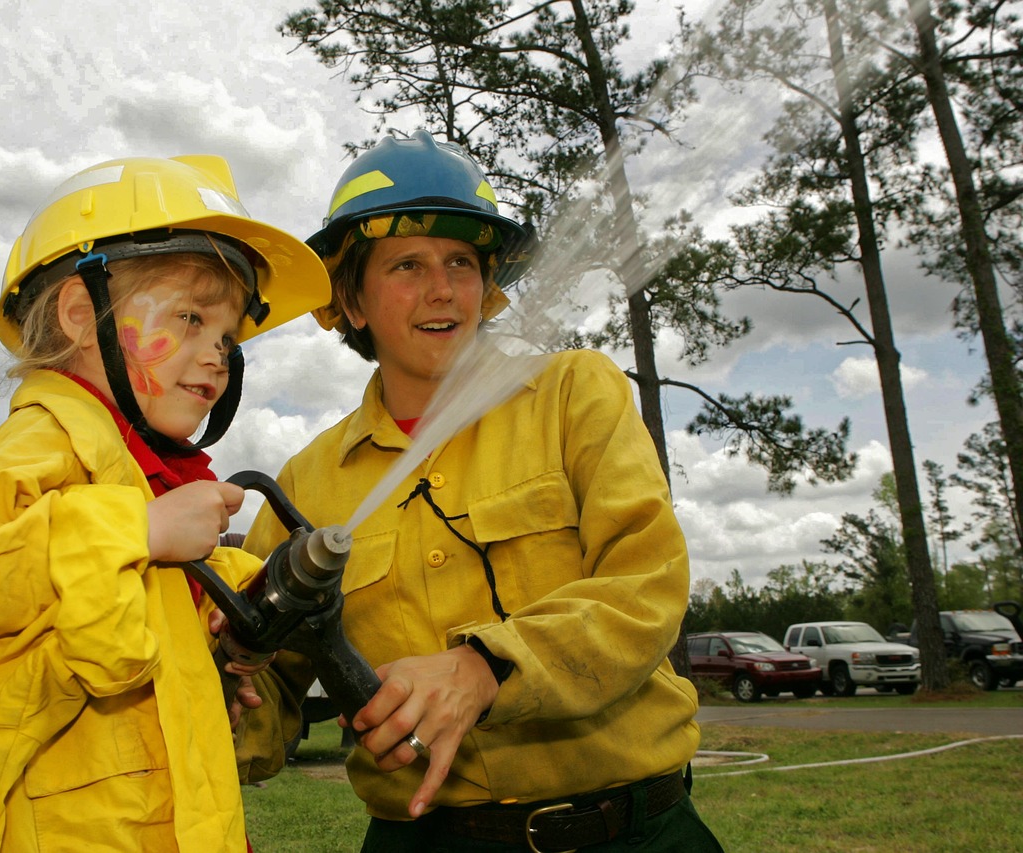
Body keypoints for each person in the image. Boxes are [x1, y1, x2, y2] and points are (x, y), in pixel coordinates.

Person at [235, 131, 724, 852]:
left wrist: (485, 665)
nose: (443, 290)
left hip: (630, 831)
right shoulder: (305, 483)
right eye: (407, 265)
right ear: (353, 300)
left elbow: (645, 585)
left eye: (461, 263)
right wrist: (223, 698)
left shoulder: (572, 393)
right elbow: (267, 690)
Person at [0, 155, 330, 852]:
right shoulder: (40, 446)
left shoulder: (138, 471)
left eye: (227, 335)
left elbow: (100, 624)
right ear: (77, 313)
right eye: (190, 317)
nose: (218, 354)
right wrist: (141, 528)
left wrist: (215, 629)